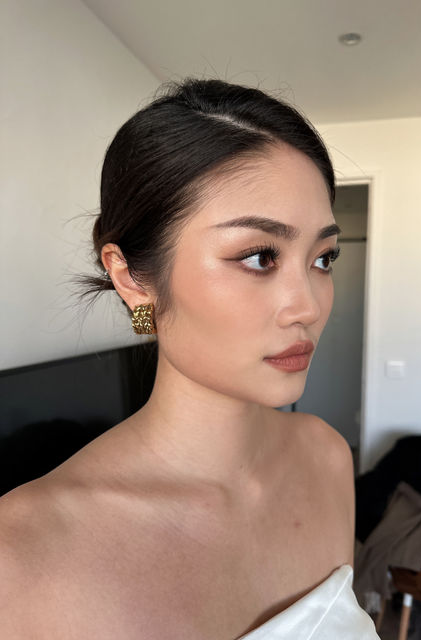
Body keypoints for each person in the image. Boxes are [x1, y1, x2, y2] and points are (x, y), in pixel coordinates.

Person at [0, 78, 379, 639]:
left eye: (323, 258)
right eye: (259, 256)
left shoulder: (326, 458)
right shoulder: (21, 556)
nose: (308, 306)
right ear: (132, 278)